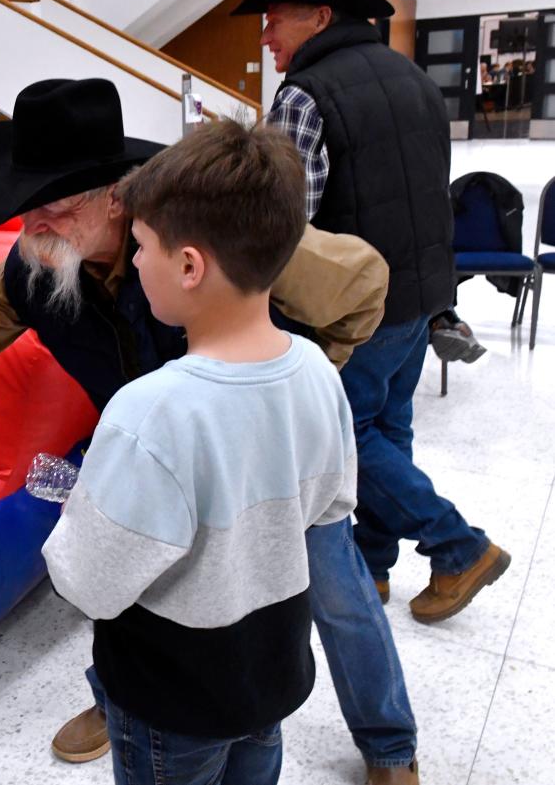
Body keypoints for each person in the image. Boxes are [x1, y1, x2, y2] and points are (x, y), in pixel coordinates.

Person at [0, 78, 422, 784]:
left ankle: (389, 742)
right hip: (151, 452)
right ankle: (120, 701)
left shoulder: (216, 236)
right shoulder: (39, 265)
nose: (31, 231)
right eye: (25, 213)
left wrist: (272, 396)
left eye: (52, 208)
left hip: (257, 468)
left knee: (331, 584)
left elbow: (362, 289)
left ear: (116, 197)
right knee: (134, 582)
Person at [41, 119, 357, 785]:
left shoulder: (149, 411)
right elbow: (330, 505)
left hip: (172, 697)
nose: (134, 260)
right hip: (269, 672)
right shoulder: (318, 372)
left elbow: (90, 579)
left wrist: (88, 509)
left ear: (189, 266)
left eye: (142, 246)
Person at [236, 0, 509, 632]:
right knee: (389, 428)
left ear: (321, 17)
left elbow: (283, 220)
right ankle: (375, 563)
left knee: (348, 440)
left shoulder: (304, 96)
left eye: (276, 21)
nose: (267, 37)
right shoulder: (415, 80)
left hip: (353, 305)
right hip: (421, 291)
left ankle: (459, 544)